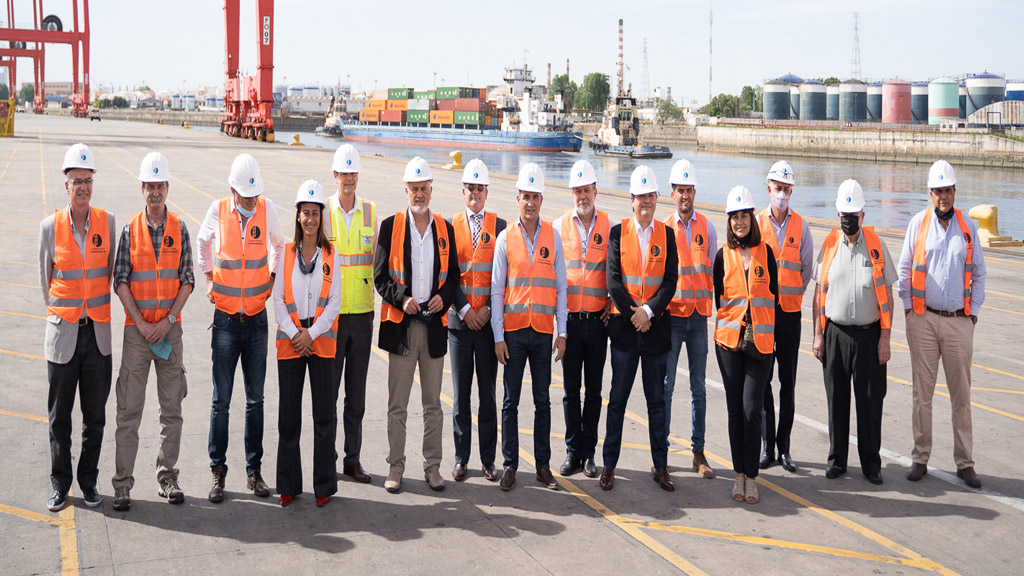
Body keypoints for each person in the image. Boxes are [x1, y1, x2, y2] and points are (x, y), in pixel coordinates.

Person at [197, 153, 286, 502]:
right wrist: (208, 278)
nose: (251, 200)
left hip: (256, 322)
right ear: (232, 189)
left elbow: (279, 246)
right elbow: (203, 243)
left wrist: (272, 281)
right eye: (245, 195)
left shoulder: (267, 210)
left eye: (254, 195)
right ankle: (218, 472)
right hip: (226, 322)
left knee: (255, 400)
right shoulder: (217, 210)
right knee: (221, 401)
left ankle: (254, 472)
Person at [110, 152, 194, 511]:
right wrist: (144, 324)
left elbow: (187, 281)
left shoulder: (179, 227)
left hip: (168, 333)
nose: (156, 192)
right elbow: (121, 281)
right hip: (137, 334)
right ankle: (122, 484)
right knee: (129, 410)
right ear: (142, 189)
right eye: (150, 186)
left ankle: (167, 476)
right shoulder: (130, 230)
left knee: (171, 409)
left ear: (167, 188)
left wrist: (168, 321)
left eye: (160, 186)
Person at [898, 160, 986, 489]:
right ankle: (920, 457)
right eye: (937, 191)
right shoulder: (918, 224)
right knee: (922, 395)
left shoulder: (968, 228)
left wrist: (972, 313)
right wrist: (908, 310)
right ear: (930, 193)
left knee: (961, 396)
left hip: (958, 322)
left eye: (947, 190)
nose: (943, 197)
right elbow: (904, 270)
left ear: (954, 191)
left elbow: (979, 273)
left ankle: (965, 463)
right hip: (923, 320)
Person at [374, 157, 460, 494]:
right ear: (406, 191)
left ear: (431, 190)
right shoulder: (390, 226)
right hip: (402, 327)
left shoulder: (444, 228)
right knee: (398, 405)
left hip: (434, 328)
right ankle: (395, 468)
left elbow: (453, 276)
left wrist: (444, 298)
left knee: (433, 406)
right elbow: (380, 278)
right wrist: (402, 298)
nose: (420, 194)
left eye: (425, 188)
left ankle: (433, 467)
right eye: (415, 189)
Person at [38, 143, 116, 511]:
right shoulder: (49, 228)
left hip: (97, 336)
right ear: (65, 184)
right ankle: (60, 483)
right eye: (76, 180)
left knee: (95, 419)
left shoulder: (108, 223)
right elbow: (45, 281)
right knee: (59, 420)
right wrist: (64, 315)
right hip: (64, 335)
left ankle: (88, 481)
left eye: (87, 180)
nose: (83, 186)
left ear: (92, 182)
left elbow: (114, 274)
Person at [811, 180, 896, 485]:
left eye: (854, 214)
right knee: (837, 400)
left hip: (869, 335)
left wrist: (885, 339)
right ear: (838, 214)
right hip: (835, 334)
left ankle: (871, 465)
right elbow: (819, 294)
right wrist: (818, 336)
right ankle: (837, 461)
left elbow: (886, 296)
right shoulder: (830, 244)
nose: (848, 219)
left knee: (870, 403)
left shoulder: (876, 245)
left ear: (863, 214)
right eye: (844, 214)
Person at [600, 166, 678, 492]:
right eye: (640, 196)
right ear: (630, 200)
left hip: (656, 329)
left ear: (656, 199)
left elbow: (671, 281)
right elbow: (613, 281)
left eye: (650, 195)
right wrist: (635, 315)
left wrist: (649, 311)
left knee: (657, 402)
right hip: (625, 331)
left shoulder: (667, 234)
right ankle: (609, 466)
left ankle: (660, 466)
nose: (645, 201)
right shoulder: (618, 234)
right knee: (617, 400)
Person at [491, 163, 567, 491]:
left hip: (543, 333)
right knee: (510, 401)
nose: (531, 203)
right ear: (517, 198)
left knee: (542, 402)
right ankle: (509, 464)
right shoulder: (505, 238)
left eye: (536, 197)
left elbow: (562, 287)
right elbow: (496, 290)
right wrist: (498, 336)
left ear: (541, 199)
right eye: (526, 197)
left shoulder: (553, 236)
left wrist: (561, 332)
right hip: (514, 333)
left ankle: (543, 466)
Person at [273, 180, 341, 507]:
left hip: (321, 344)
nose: (310, 219)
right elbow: (277, 300)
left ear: (320, 217)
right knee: (289, 417)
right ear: (298, 217)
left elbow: (335, 304)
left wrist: (310, 335)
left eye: (315, 213)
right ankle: (288, 485)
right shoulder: (285, 254)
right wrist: (295, 334)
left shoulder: (331, 254)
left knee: (324, 417)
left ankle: (324, 486)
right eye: (305, 213)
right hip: (290, 344)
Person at [715, 186, 778, 505]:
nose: (739, 221)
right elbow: (720, 299)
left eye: (744, 215)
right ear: (729, 220)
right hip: (729, 344)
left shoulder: (766, 253)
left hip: (762, 344)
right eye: (734, 217)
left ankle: (752, 477)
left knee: (753, 410)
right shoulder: (721, 255)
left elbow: (774, 297)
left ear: (752, 218)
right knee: (734, 411)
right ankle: (738, 474)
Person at [447, 159, 505, 482]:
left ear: (487, 192)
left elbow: (502, 278)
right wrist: (466, 310)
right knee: (461, 396)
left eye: (481, 188)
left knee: (487, 395)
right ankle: (461, 457)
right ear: (463, 190)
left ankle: (487, 459)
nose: (476, 193)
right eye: (471, 187)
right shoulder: (450, 224)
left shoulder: (500, 226)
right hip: (459, 324)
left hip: (487, 326)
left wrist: (486, 313)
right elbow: (449, 275)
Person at [323, 144, 377, 484]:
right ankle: (327, 458)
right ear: (335, 175)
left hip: (361, 315)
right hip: (330, 318)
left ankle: (352, 459)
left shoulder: (370, 213)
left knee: (355, 394)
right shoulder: (323, 212)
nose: (349, 179)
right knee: (328, 393)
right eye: (344, 173)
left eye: (354, 173)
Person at [661, 159, 717, 479]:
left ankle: (698, 452)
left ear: (695, 192)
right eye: (680, 190)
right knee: (667, 387)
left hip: (697, 320)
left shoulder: (706, 227)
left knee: (699, 387)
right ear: (672, 193)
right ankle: (663, 452)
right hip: (672, 318)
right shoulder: (665, 228)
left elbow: (712, 270)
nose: (685, 195)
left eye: (689, 190)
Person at [554, 159, 609, 479]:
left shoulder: (610, 226)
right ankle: (573, 451)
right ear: (572, 193)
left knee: (594, 391)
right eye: (577, 191)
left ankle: (590, 454)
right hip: (571, 323)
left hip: (598, 324)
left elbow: (617, 272)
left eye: (586, 190)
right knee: (570, 391)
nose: (582, 196)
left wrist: (613, 301)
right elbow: (554, 276)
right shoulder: (560, 225)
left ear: (595, 191)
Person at [756, 160, 813, 473]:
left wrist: (790, 295)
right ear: (769, 189)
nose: (782, 194)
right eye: (778, 188)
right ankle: (767, 448)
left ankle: (785, 447)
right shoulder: (755, 223)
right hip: (764, 315)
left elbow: (805, 270)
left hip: (790, 315)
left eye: (787, 189)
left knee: (787, 383)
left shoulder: (801, 226)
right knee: (764, 381)